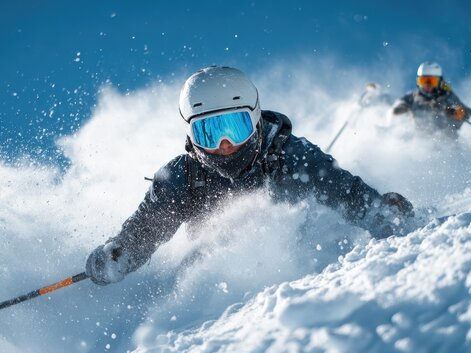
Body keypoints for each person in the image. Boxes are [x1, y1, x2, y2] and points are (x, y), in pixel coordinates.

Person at [85, 66, 415, 286]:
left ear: (255, 121)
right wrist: (116, 258)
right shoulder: (183, 178)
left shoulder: (288, 155)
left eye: (235, 127)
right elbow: (145, 230)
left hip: (301, 269)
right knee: (190, 270)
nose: (225, 144)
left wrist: (382, 212)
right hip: (217, 281)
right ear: (191, 135)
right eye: (209, 131)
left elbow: (342, 190)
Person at [392, 62, 471, 138]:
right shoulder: (415, 96)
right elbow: (401, 102)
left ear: (440, 81)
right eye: (423, 81)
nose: (427, 85)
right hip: (420, 141)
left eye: (431, 81)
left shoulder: (447, 96)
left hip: (447, 142)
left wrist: (460, 112)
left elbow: (467, 112)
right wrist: (403, 107)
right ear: (418, 81)